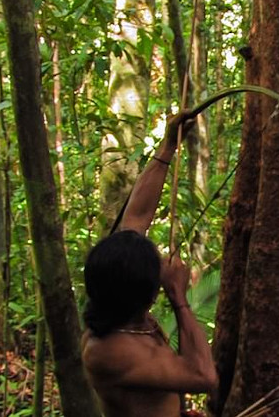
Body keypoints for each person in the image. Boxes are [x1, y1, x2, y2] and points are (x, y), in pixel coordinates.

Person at [82, 112, 217, 417]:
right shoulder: (111, 349)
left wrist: (168, 147)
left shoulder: (118, 301)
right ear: (147, 294)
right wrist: (179, 298)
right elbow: (204, 377)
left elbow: (136, 218)